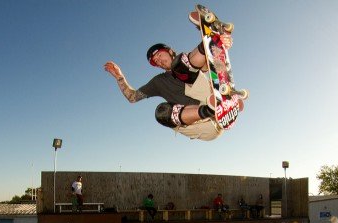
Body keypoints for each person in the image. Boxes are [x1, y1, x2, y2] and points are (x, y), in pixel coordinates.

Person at [104, 10, 245, 141]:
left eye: (159, 55)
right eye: (155, 61)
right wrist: (119, 76)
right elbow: (132, 97)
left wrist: (218, 44)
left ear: (170, 51)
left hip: (208, 96)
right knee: (161, 112)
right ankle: (210, 109)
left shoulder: (188, 62)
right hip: (203, 126)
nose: (158, 60)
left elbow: (212, 63)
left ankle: (209, 42)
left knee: (181, 66)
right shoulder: (158, 82)